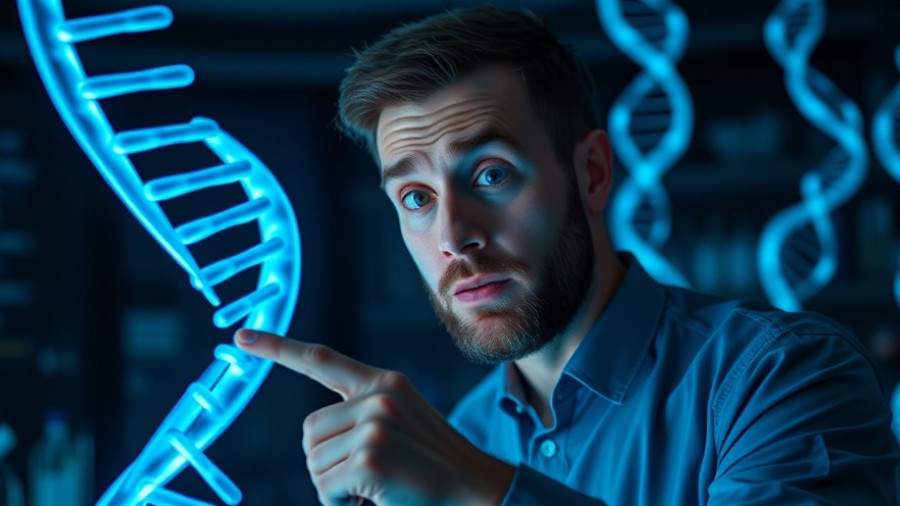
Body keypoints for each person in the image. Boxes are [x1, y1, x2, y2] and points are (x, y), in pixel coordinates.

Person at [234, 6, 900, 505]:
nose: (452, 235)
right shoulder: (455, 438)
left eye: (490, 175)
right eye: (414, 197)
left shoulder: (782, 376)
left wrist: (481, 493)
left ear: (592, 175)